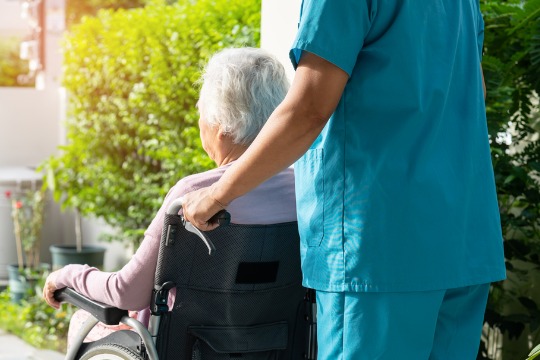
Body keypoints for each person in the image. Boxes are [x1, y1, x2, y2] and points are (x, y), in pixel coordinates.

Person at [181, 1, 507, 358]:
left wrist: (216, 196)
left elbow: (308, 109)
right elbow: (473, 94)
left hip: (379, 248)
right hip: (461, 240)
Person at [42, 47, 295, 343]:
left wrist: (67, 274)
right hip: (273, 344)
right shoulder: (302, 191)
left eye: (201, 113)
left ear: (222, 127)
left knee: (84, 319)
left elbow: (128, 292)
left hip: (183, 346)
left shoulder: (196, 196)